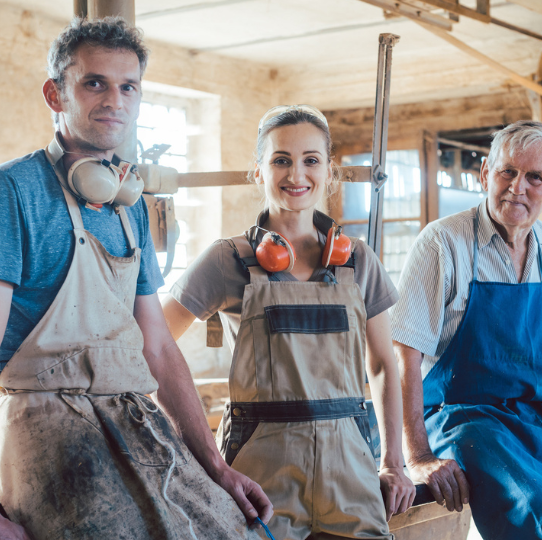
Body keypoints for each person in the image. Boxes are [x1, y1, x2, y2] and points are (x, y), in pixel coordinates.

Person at [0, 17, 271, 540]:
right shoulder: (9, 192)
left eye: (129, 87)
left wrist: (217, 468)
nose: (114, 100)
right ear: (56, 94)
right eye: (94, 83)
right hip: (47, 423)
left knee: (240, 529)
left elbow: (160, 350)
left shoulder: (130, 207)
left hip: (132, 416)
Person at [162, 105, 416, 539]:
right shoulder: (230, 259)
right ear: (258, 172)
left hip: (351, 470)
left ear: (329, 171)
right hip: (260, 475)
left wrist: (394, 462)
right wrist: (205, 460)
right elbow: (154, 346)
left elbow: (382, 365)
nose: (296, 173)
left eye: (310, 160)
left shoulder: (357, 261)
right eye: (281, 159)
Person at [390, 120, 542, 540]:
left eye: (535, 178)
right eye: (507, 172)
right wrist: (416, 456)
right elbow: (405, 356)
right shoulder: (442, 243)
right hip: (465, 420)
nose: (517, 187)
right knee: (533, 507)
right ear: (485, 172)